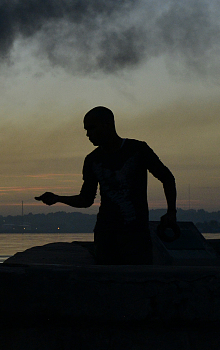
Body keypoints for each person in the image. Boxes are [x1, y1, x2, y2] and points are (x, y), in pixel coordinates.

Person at [35, 107, 176, 265]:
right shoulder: (92, 160)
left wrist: (171, 212)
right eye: (86, 130)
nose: (88, 135)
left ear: (107, 124)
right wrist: (57, 198)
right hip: (105, 236)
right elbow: (86, 199)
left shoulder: (138, 150)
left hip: (135, 235)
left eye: (92, 128)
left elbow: (167, 178)